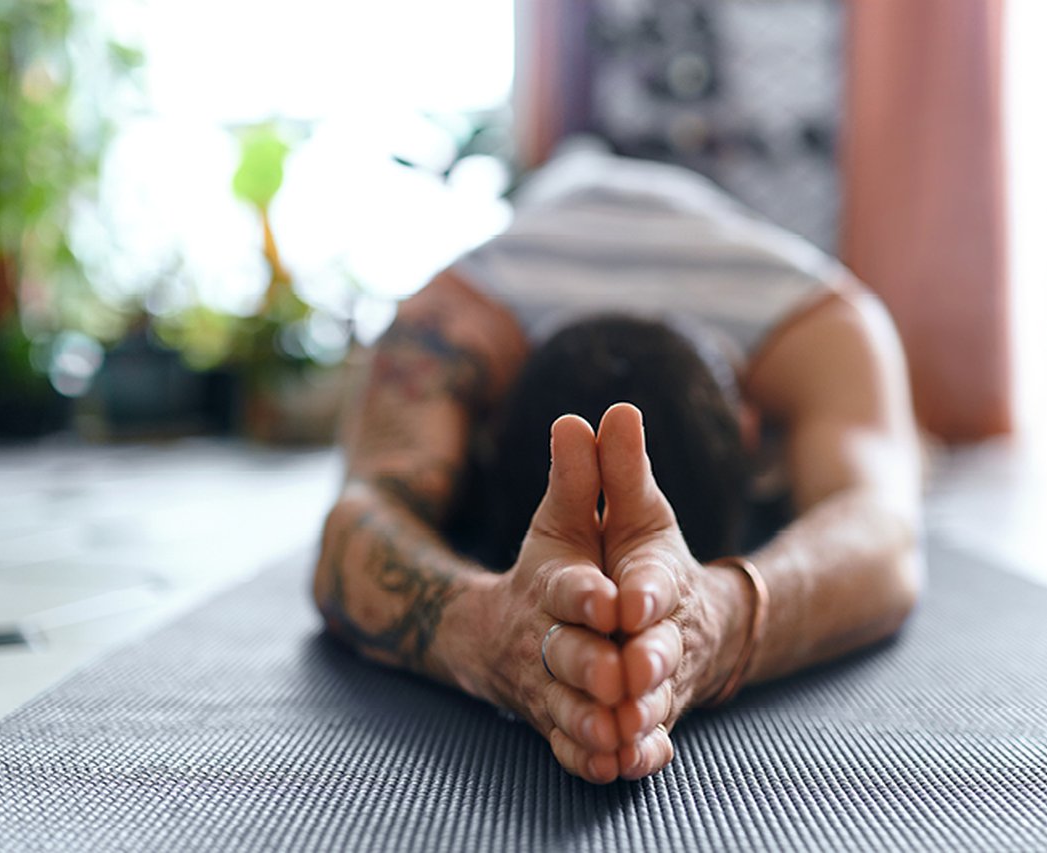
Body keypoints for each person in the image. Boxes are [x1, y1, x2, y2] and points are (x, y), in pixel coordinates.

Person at [312, 144, 923, 783]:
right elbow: (360, 515)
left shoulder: (822, 319)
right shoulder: (456, 315)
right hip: (555, 190)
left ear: (753, 431)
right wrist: (492, 634)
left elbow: (884, 532)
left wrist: (712, 621)